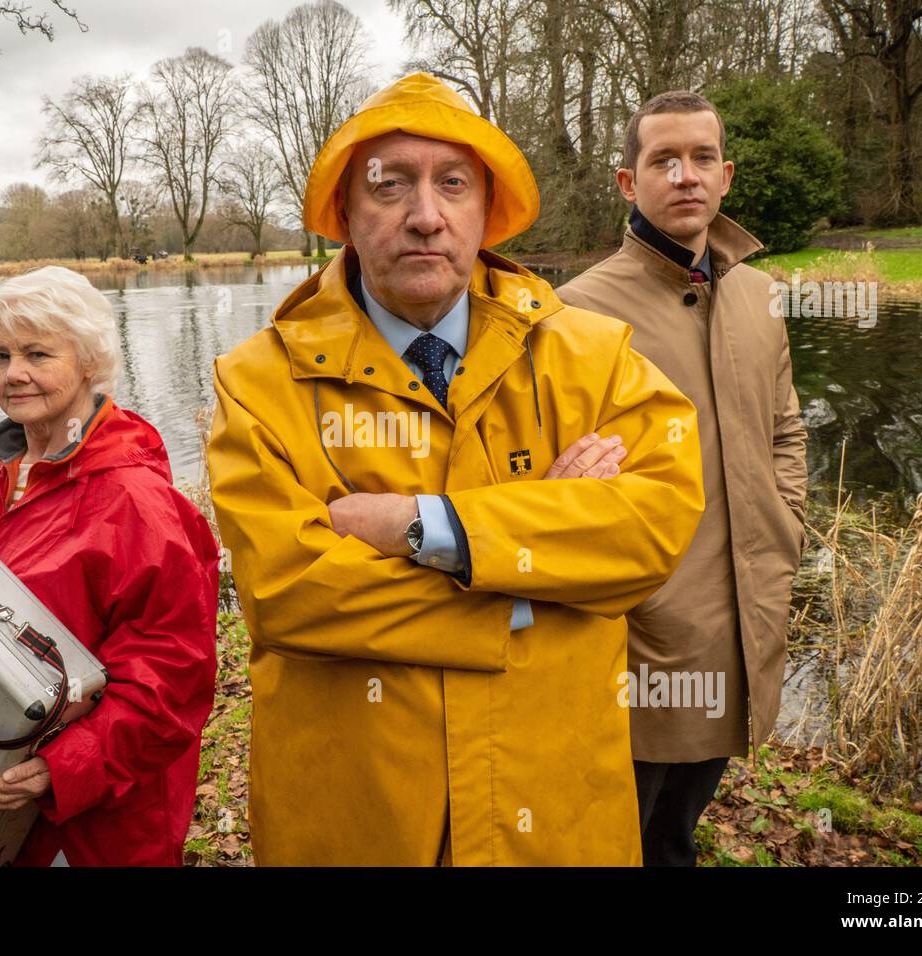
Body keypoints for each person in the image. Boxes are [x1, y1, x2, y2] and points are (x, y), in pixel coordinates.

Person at [207, 73, 706, 866]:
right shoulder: (260, 382)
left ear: (486, 210)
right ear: (345, 212)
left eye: (452, 185)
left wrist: (424, 527)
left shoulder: (591, 355)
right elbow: (287, 593)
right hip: (356, 816)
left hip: (548, 803)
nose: (425, 216)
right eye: (389, 186)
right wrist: (529, 582)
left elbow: (654, 528)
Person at [557, 91, 809, 866]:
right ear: (629, 183)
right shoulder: (577, 313)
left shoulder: (761, 295)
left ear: (726, 175)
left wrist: (784, 528)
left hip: (747, 613)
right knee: (611, 832)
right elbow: (559, 489)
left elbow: (786, 430)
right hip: (645, 634)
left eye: (702, 158)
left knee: (681, 827)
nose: (686, 175)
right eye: (663, 159)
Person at [0, 264, 219, 865]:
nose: (14, 374)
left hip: (100, 824)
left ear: (89, 361)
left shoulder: (136, 503)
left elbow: (171, 678)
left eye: (38, 354)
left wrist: (59, 769)